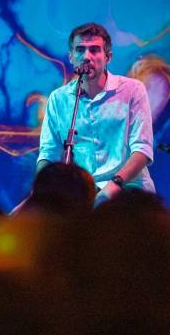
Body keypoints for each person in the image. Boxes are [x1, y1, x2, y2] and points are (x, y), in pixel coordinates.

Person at [37, 22, 155, 206]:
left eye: (94, 50)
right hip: (84, 195)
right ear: (70, 57)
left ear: (108, 57)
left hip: (130, 191)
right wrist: (39, 195)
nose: (86, 56)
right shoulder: (58, 99)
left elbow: (142, 149)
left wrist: (112, 187)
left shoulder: (133, 90)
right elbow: (48, 154)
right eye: (80, 50)